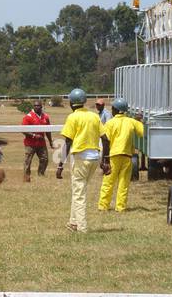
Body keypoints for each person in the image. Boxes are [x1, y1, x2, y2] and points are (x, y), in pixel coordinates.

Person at [60, 87, 103, 232]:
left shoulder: (72, 117)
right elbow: (105, 139)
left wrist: (60, 164)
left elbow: (67, 142)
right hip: (94, 159)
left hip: (80, 159)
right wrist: (106, 160)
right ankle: (73, 222)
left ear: (72, 103)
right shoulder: (94, 116)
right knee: (79, 190)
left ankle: (82, 228)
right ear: (84, 102)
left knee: (79, 194)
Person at [98, 99, 145, 212]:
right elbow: (142, 132)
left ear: (116, 110)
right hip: (127, 156)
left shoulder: (110, 123)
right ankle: (120, 207)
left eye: (113, 108)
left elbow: (106, 141)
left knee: (108, 182)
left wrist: (104, 159)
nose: (111, 110)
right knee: (123, 183)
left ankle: (103, 206)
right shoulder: (131, 122)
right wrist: (138, 120)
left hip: (113, 156)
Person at [20, 99, 54, 181]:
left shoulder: (45, 117)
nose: (36, 107)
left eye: (38, 105)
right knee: (28, 161)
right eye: (35, 106)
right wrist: (34, 135)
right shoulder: (28, 117)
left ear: (41, 106)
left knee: (45, 159)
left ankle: (41, 174)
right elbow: (23, 130)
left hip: (41, 143)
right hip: (30, 143)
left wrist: (50, 141)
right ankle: (26, 177)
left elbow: (48, 130)